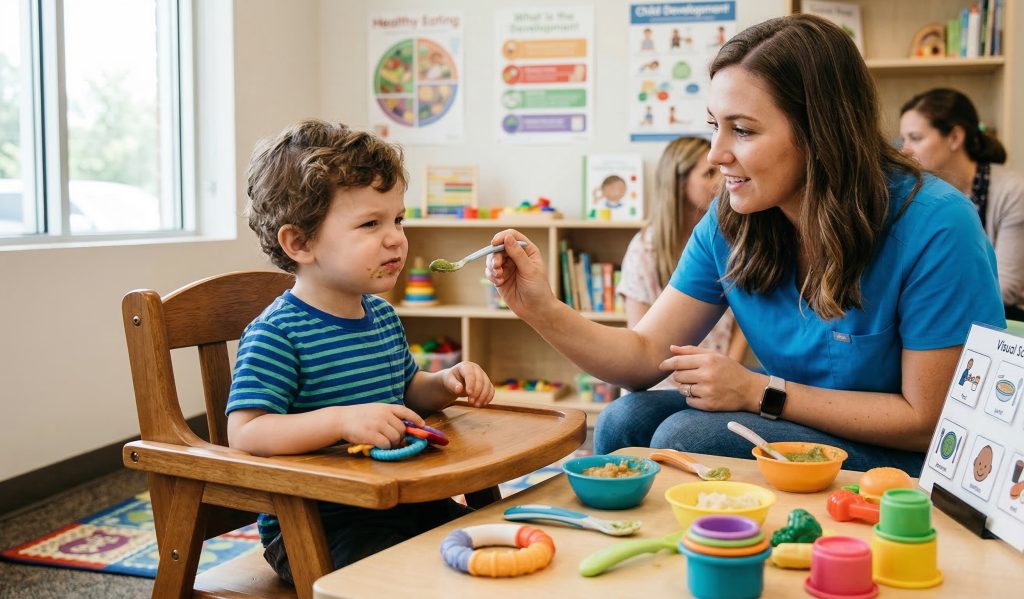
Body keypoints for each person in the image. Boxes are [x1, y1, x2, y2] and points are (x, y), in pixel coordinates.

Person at [485, 15, 1005, 475]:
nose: (716, 154)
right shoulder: (734, 217)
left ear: (820, 133)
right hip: (804, 419)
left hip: (916, 455)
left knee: (687, 439)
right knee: (623, 420)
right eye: (715, 126)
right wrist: (540, 308)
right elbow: (644, 355)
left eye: (743, 130)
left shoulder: (937, 226)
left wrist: (760, 392)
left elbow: (928, 420)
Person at [228, 119, 495, 584]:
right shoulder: (277, 333)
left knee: (482, 544)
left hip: (402, 499)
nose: (395, 237)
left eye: (397, 219)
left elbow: (409, 393)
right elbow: (247, 432)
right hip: (320, 526)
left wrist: (446, 383)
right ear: (300, 242)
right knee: (414, 578)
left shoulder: (382, 315)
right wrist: (341, 419)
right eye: (371, 223)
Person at [618, 136, 747, 384]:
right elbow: (639, 339)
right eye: (709, 173)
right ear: (678, 183)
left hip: (718, 380)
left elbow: (743, 318)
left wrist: (729, 369)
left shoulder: (730, 241)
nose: (722, 181)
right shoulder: (645, 249)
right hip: (659, 383)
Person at [899, 88, 1024, 321]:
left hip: (1001, 321)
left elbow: (1007, 287)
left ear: (955, 137)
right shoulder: (914, 196)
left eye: (915, 138)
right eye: (903, 139)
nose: (904, 150)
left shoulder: (1013, 191)